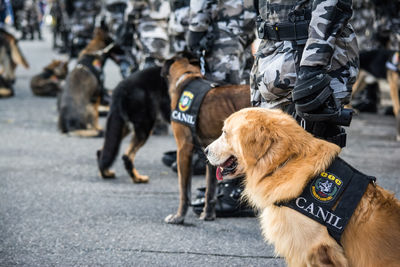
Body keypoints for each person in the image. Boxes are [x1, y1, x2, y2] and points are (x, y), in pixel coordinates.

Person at [251, 0, 359, 148]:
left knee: (309, 154)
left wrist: (313, 66)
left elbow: (332, 5)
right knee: (266, 148)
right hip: (271, 52)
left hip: (310, 54)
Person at [185, 0, 257, 217]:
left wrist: (196, 27)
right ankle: (237, 182)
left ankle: (232, 187)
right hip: (247, 21)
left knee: (225, 103)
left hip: (225, 24)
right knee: (244, 98)